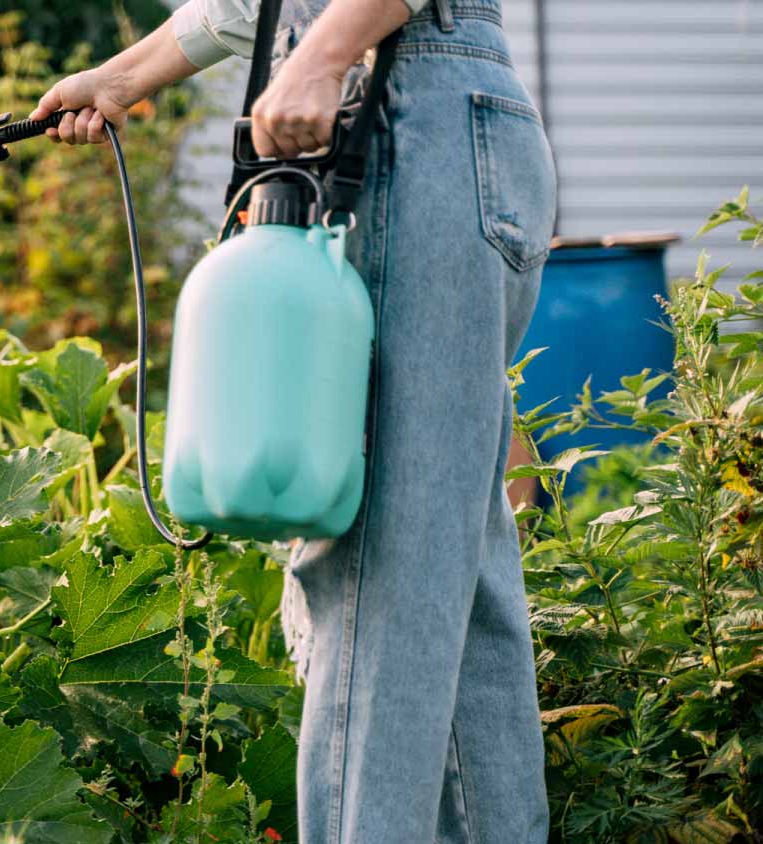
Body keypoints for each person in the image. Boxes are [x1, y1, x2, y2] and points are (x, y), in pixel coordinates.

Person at [31, 1, 556, 842]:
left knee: (375, 561)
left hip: (404, 102)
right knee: (453, 566)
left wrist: (325, 51)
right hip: (435, 109)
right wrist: (118, 80)